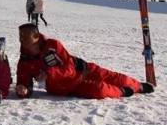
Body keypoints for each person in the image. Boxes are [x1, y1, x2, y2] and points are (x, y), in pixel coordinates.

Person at [15, 23, 154, 99]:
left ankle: (139, 86)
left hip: (83, 69)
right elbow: (24, 81)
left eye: (25, 36)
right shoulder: (24, 60)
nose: (22, 40)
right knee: (99, 90)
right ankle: (122, 92)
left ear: (37, 37)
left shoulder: (53, 46)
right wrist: (23, 90)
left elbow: (69, 68)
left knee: (116, 78)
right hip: (65, 88)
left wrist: (49, 73)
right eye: (20, 37)